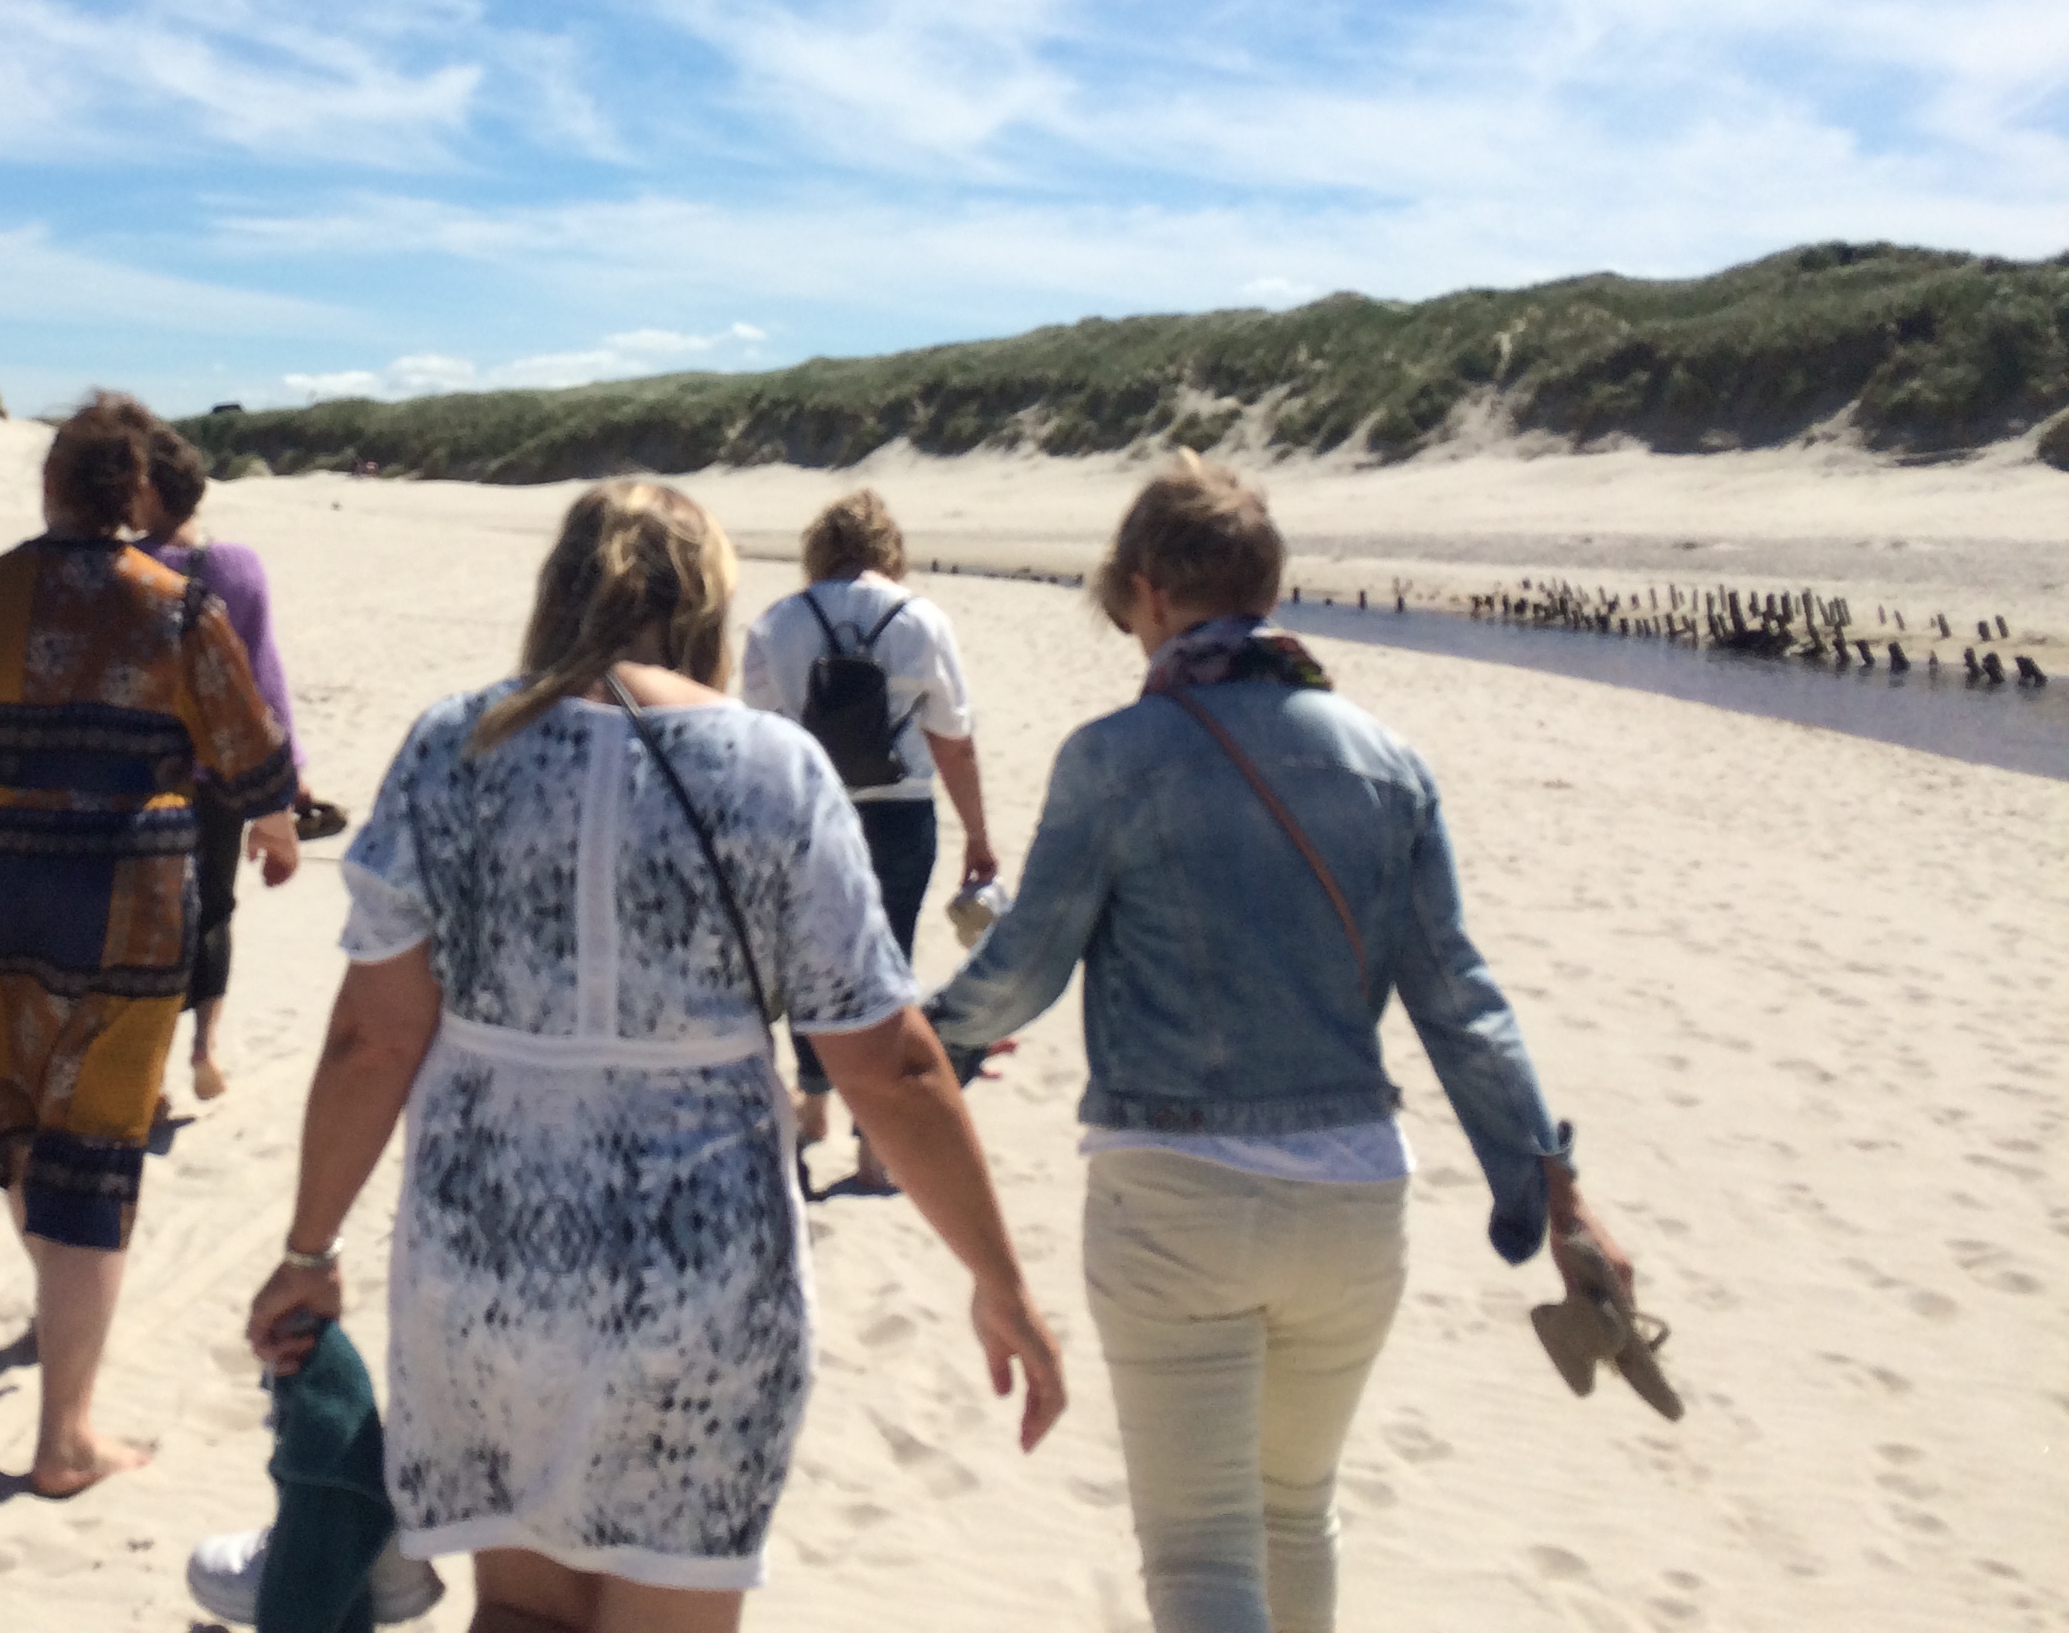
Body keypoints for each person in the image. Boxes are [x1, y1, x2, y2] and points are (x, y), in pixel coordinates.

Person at [242, 481, 1065, 1631]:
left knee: (523, 1614)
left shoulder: (452, 747)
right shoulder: (773, 769)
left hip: (487, 1266)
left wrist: (308, 1245)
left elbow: (373, 1038)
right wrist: (1002, 1281)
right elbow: (891, 1067)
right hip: (701, 1277)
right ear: (709, 609)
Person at [926, 453, 1644, 1633]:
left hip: (1177, 1200)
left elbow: (1026, 971)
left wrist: (920, 1051)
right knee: (1294, 1513)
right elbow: (1457, 994)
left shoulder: (1114, 758)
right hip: (1357, 1204)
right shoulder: (1386, 761)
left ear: (1150, 594)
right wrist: (1550, 1192)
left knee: (1202, 1557)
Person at [0, 391, 295, 1496]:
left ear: (46, 486)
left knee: (19, 1122)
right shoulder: (176, 611)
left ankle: (56, 1320)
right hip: (127, 909)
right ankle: (65, 1434)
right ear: (136, 495)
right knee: (94, 1152)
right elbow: (252, 768)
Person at [736, 487, 994, 1188]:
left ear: (817, 550)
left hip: (804, 812)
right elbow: (954, 740)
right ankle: (875, 1149)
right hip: (901, 812)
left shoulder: (778, 623)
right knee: (889, 967)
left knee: (804, 964)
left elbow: (757, 740)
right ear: (889, 550)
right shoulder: (922, 619)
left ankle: (814, 1104)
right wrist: (978, 835)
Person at [138, 427, 305, 1101]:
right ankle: (205, 1048)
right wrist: (284, 780)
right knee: (213, 909)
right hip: (224, 772)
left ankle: (146, 1072)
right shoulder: (238, 566)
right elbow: (264, 674)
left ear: (145, 492)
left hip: (141, 777)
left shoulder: (123, 566)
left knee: (145, 923)